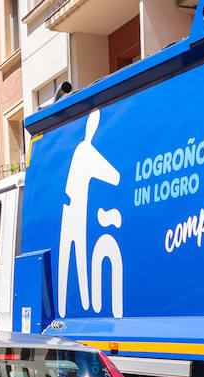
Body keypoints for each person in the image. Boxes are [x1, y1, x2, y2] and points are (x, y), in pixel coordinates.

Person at [57, 110, 120, 318]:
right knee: (75, 257)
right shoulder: (84, 151)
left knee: (72, 258)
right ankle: (76, 305)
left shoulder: (83, 151)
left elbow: (112, 175)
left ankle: (69, 309)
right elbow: (113, 176)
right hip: (74, 213)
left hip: (73, 212)